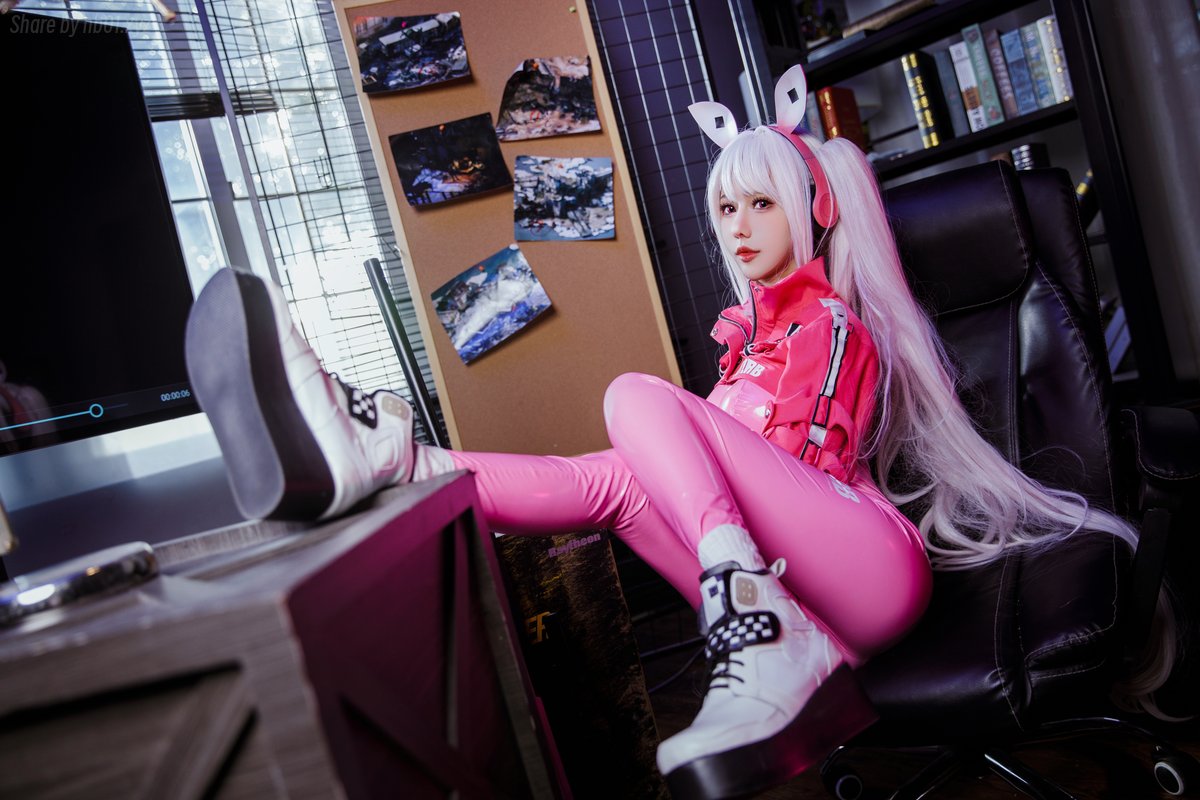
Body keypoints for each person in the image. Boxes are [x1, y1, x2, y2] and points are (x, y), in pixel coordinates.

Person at [185, 64, 1174, 800]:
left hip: (868, 568)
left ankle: (753, 613)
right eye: (724, 207)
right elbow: (698, 475)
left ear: (813, 209)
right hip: (797, 585)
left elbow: (797, 466)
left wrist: (695, 442)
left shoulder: (833, 328)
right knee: (616, 480)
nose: (737, 226)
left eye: (760, 204)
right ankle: (397, 459)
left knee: (635, 400)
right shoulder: (750, 343)